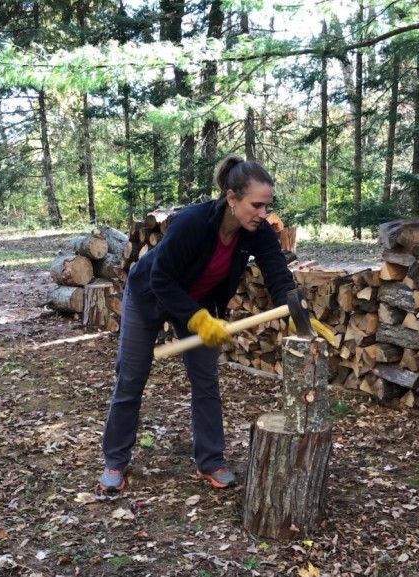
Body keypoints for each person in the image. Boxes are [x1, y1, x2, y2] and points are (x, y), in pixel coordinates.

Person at [99, 155, 299, 492]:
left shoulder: (257, 232)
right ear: (232, 198)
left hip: (200, 300)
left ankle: (210, 460)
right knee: (131, 376)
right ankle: (115, 461)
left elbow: (277, 273)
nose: (263, 214)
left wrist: (294, 307)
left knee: (206, 381)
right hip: (149, 293)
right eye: (256, 205)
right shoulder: (191, 223)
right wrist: (197, 318)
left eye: (267, 206)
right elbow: (161, 277)